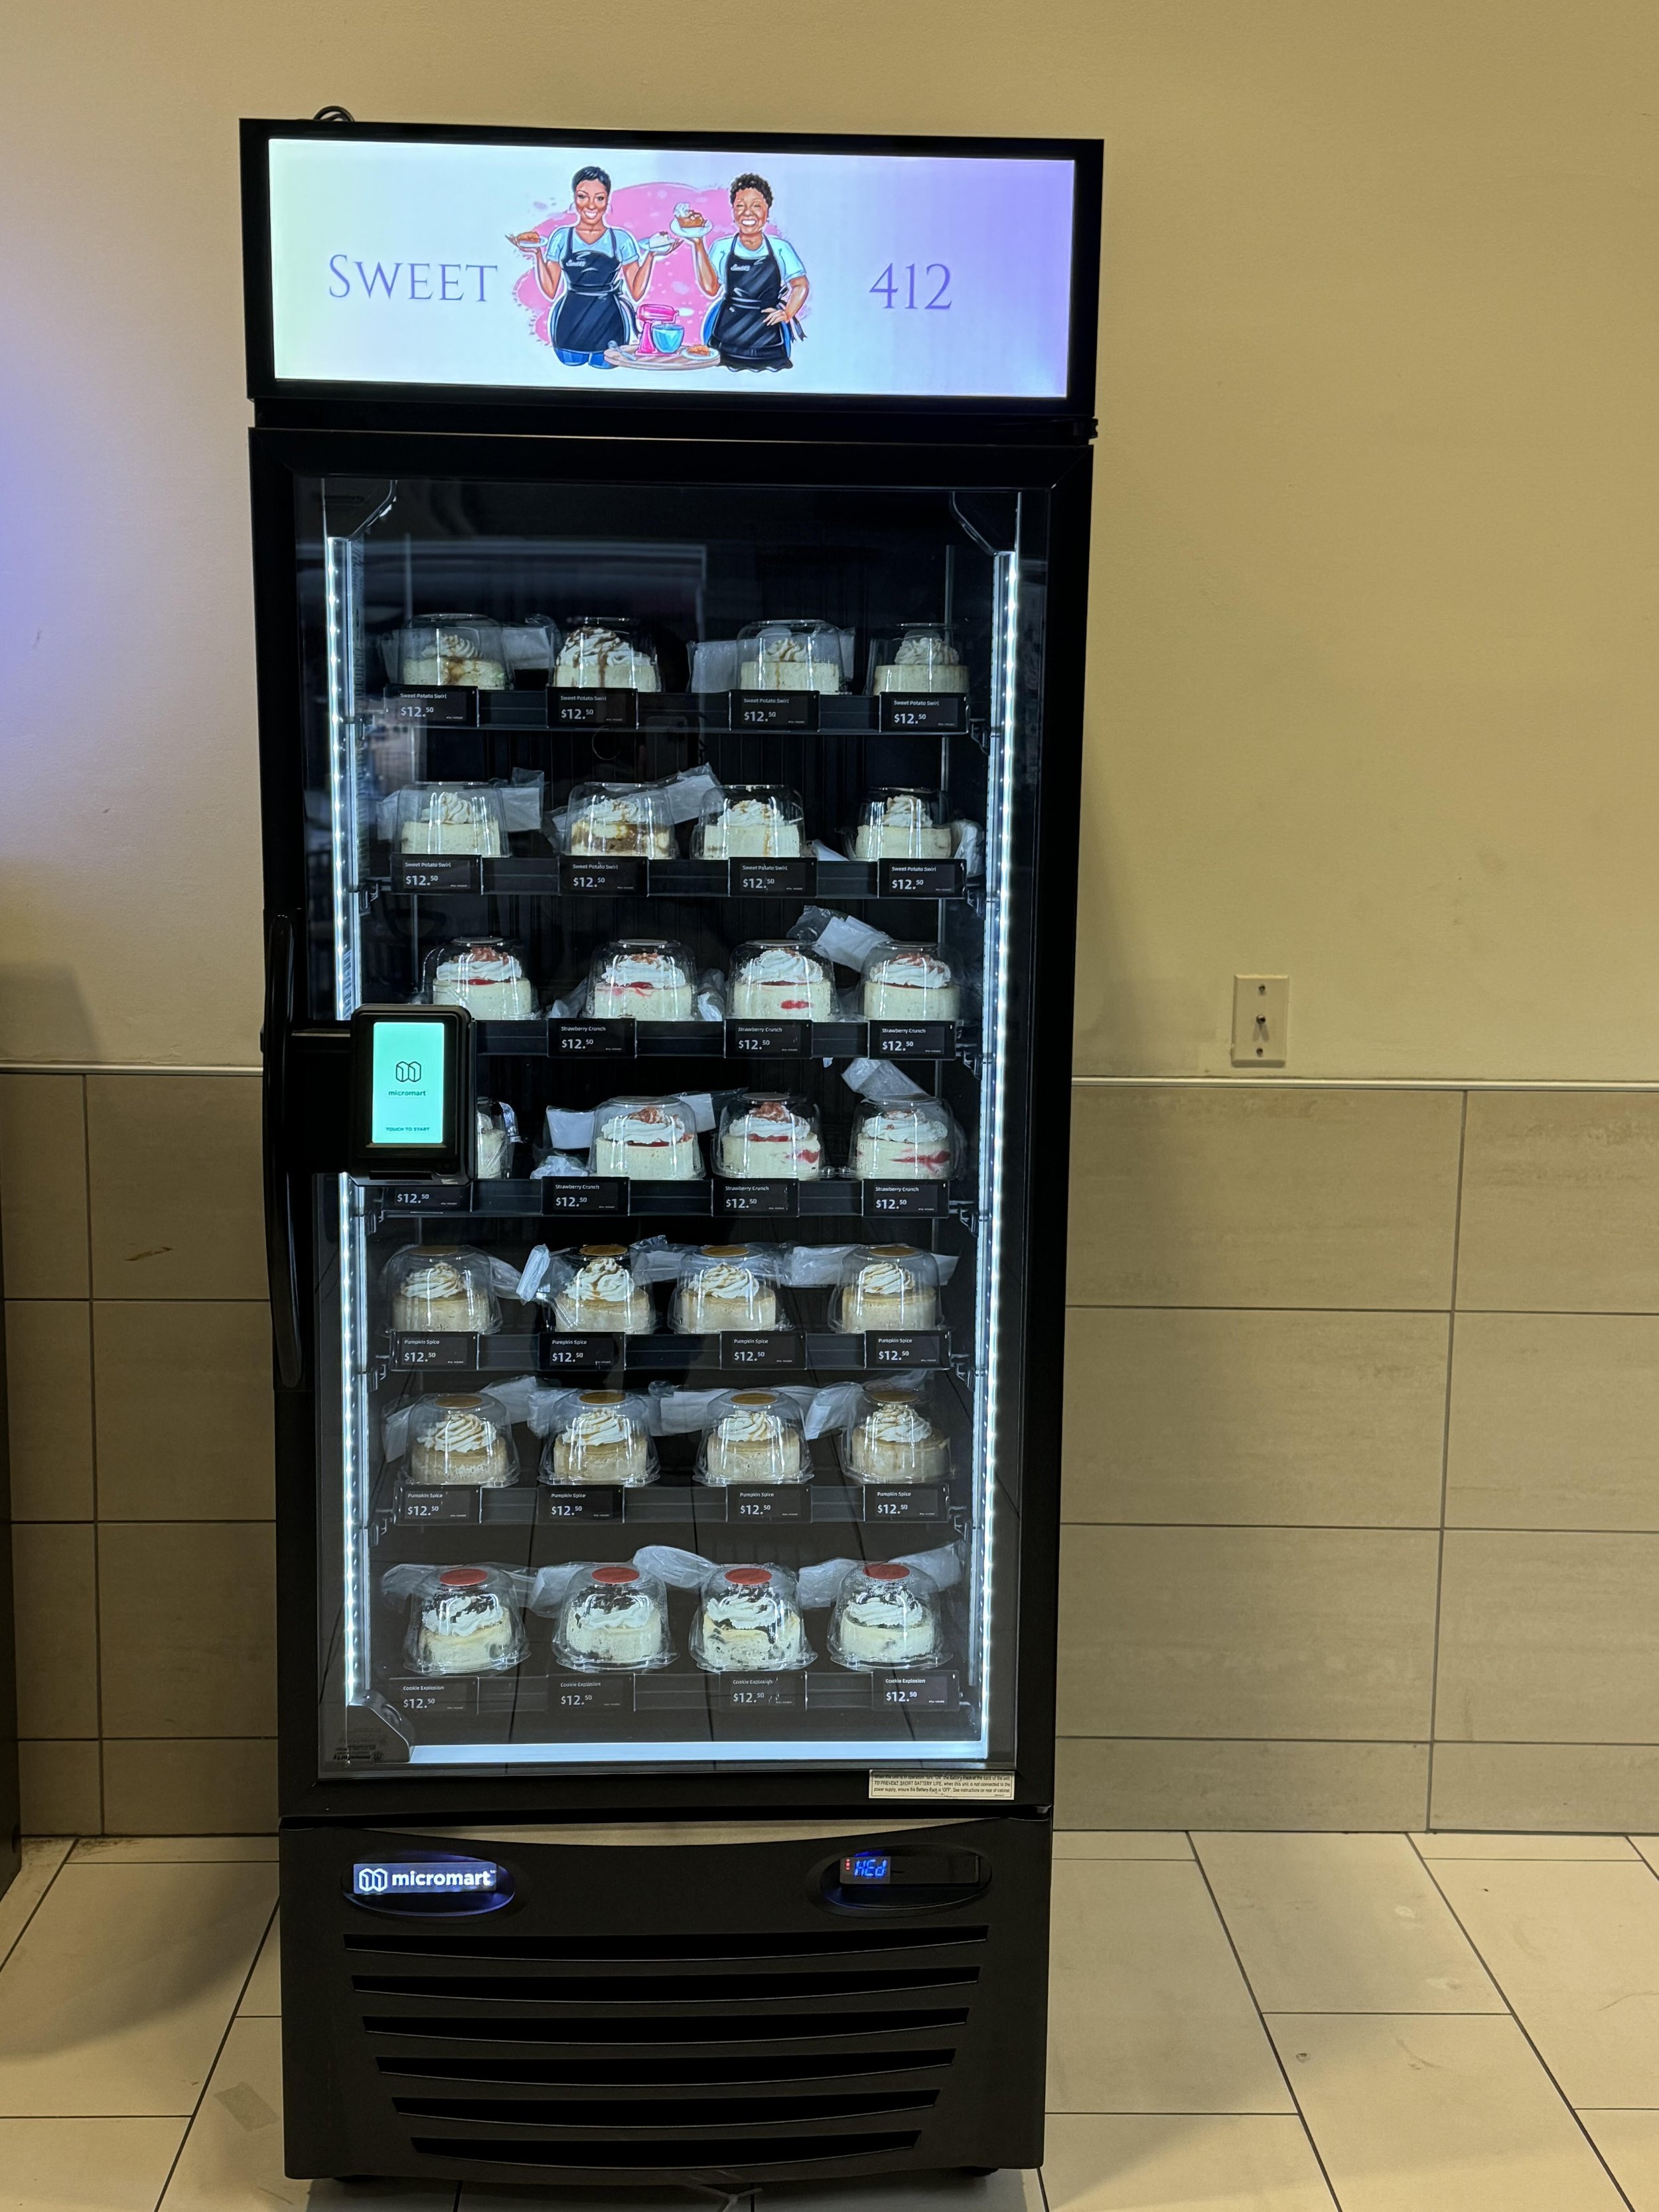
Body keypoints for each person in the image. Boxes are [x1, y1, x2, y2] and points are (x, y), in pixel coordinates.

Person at [511, 167, 676, 368]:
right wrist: (536, 253)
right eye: (583, 197)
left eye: (599, 198)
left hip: (610, 322)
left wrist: (652, 255)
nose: (591, 205)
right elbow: (550, 290)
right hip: (570, 322)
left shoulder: (621, 239)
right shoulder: (562, 237)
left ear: (608, 201)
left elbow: (636, 291)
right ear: (574, 198)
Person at [687, 173, 809, 372]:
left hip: (769, 343)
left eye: (756, 206)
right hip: (726, 337)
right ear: (733, 212)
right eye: (740, 206)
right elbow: (710, 288)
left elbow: (801, 285)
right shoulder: (722, 247)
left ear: (767, 211)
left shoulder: (780, 248)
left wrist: (787, 313)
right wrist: (698, 243)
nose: (748, 213)